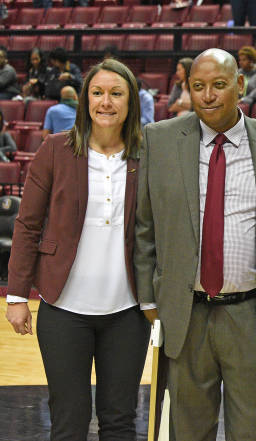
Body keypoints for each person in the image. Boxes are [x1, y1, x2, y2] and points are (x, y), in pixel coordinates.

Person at [4, 58, 149, 441]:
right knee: (69, 419)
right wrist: (17, 295)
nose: (106, 102)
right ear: (85, 100)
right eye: (98, 93)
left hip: (128, 312)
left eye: (116, 94)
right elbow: (28, 224)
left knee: (119, 420)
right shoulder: (55, 150)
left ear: (131, 101)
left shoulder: (147, 155)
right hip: (64, 310)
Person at [134, 48, 256, 440]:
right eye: (198, 87)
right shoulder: (159, 139)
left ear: (240, 85)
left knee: (251, 430)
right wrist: (149, 299)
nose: (208, 96)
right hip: (185, 313)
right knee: (188, 430)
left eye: (218, 85)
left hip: (250, 312)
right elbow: (145, 225)